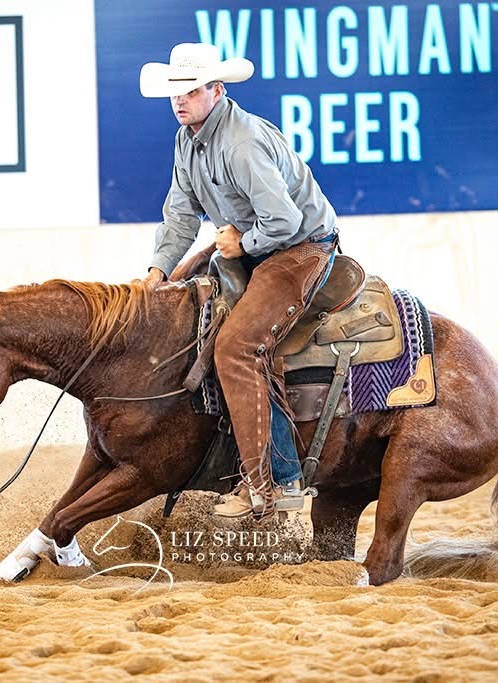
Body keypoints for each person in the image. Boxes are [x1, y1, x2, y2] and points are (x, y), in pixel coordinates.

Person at [139, 43, 339, 518]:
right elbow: (180, 214)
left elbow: (285, 221)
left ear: (217, 90)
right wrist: (157, 272)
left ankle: (273, 484)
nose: (180, 99)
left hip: (299, 248)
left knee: (236, 347)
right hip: (253, 245)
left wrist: (242, 244)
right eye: (175, 92)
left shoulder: (241, 143)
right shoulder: (187, 139)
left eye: (191, 91)